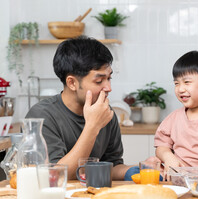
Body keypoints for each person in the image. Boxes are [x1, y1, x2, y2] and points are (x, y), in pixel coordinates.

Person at [26, 36, 136, 180]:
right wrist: (92, 127)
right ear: (72, 83)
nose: (108, 88)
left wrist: (137, 171)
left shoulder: (106, 113)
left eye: (109, 78)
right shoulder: (41, 116)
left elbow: (112, 166)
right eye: (99, 81)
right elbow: (56, 176)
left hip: (94, 197)